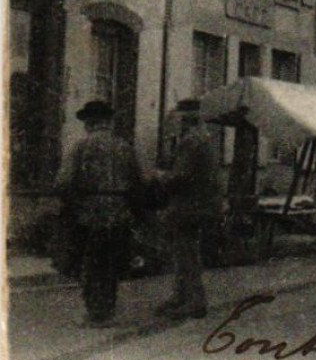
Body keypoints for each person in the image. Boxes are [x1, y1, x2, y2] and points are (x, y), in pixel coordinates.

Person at [56, 101, 144, 327]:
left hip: (90, 212)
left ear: (89, 122)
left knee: (91, 261)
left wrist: (74, 204)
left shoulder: (80, 146)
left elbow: (63, 182)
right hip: (120, 211)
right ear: (108, 122)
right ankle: (109, 308)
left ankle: (95, 311)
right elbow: (138, 181)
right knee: (112, 261)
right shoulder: (124, 146)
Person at [155, 99, 223, 320]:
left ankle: (193, 301)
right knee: (186, 251)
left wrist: (160, 178)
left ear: (185, 119)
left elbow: (181, 175)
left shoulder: (190, 141)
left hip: (188, 206)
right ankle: (181, 297)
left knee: (185, 254)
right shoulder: (204, 138)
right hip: (201, 204)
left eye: (176, 118)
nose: (174, 122)